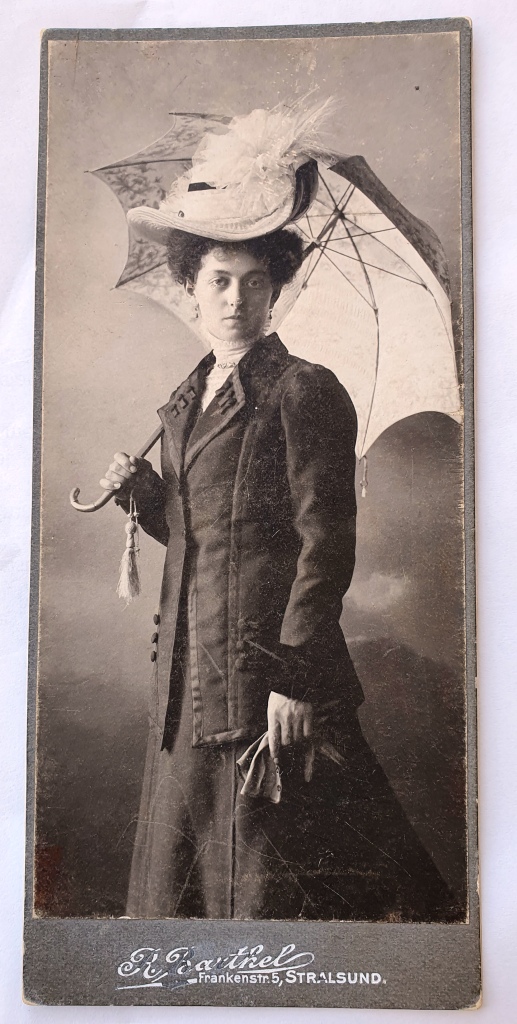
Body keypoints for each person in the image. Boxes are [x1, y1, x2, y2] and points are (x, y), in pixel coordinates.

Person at [100, 106, 459, 921]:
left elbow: (324, 545)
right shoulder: (185, 402)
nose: (236, 299)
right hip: (189, 681)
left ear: (275, 289)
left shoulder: (304, 390)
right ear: (190, 285)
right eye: (219, 280)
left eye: (255, 282)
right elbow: (201, 539)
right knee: (183, 893)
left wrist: (295, 681)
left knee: (267, 886)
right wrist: (146, 495)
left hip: (268, 683)